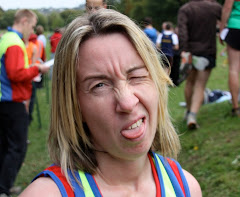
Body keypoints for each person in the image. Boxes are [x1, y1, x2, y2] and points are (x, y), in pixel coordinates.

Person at [19, 9, 202, 197]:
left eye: (137, 76)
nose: (128, 102)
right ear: (73, 106)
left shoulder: (186, 188)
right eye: (99, 85)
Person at [0, 9, 49, 197]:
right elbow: (15, 74)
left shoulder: (6, 38)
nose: (32, 30)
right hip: (12, 101)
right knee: (17, 147)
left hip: (5, 100)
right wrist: (37, 69)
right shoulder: (14, 42)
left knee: (5, 146)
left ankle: (3, 185)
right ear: (24, 20)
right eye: (32, 25)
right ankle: (4, 188)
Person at [178, 0, 222, 129]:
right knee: (200, 85)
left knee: (190, 83)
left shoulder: (185, 9)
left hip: (191, 52)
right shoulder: (214, 7)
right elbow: (226, 19)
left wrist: (185, 51)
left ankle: (188, 111)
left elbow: (182, 32)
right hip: (208, 51)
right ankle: (192, 115)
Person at [219, 0, 240, 117]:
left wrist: (221, 28)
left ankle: (236, 107)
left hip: (235, 27)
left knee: (234, 69)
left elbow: (227, 7)